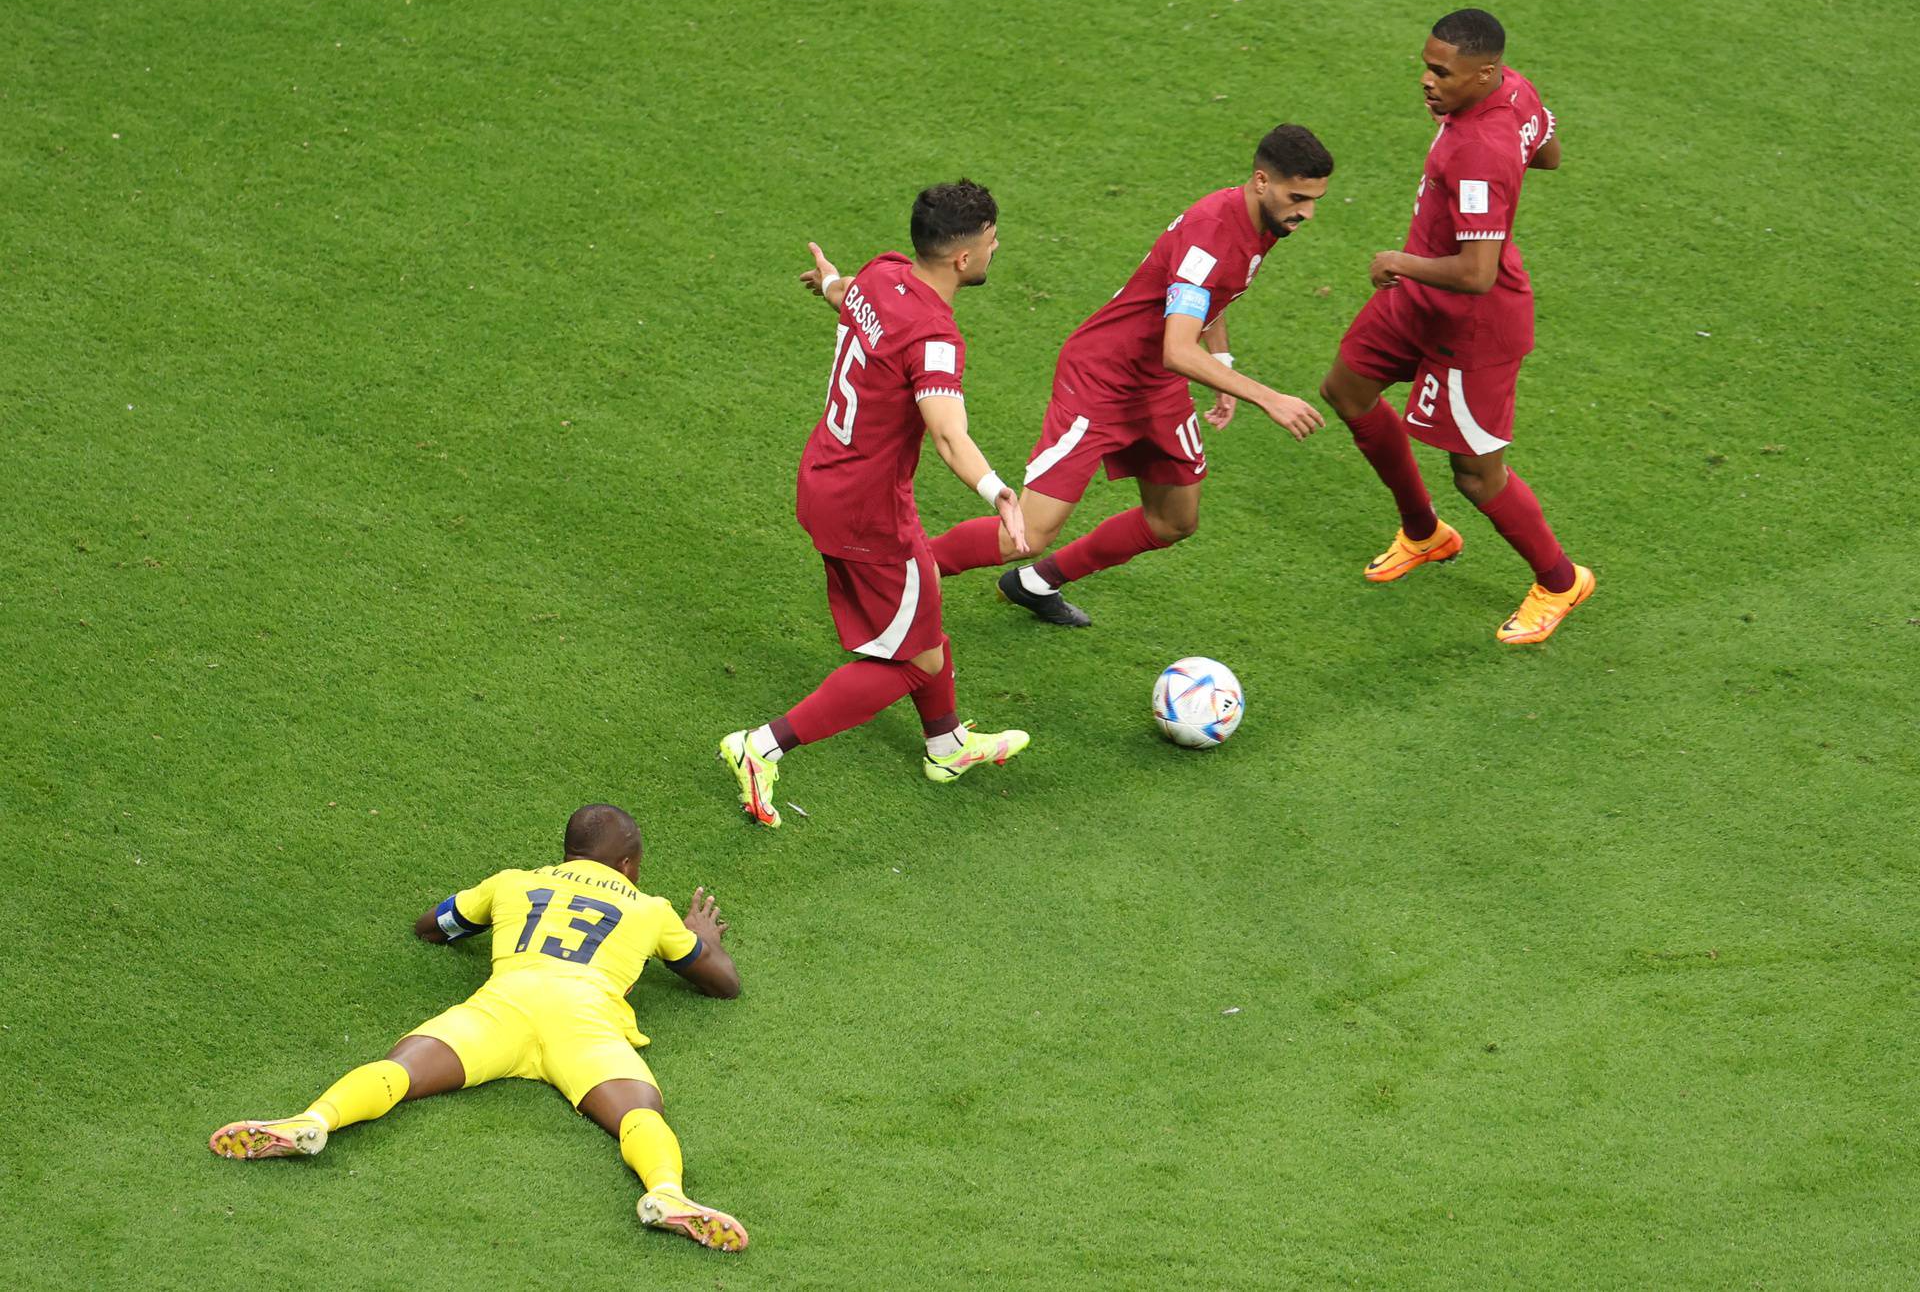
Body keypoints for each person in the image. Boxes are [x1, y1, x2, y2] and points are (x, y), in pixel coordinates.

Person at [208, 805, 750, 1253]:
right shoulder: (651, 910)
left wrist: (487, 917)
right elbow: (722, 983)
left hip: (504, 1006)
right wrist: (703, 936)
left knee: (400, 1070)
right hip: (583, 1019)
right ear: (628, 864)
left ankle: (313, 1119)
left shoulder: (514, 883)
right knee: (637, 1111)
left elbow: (433, 928)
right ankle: (667, 1192)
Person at [924, 125, 1334, 627]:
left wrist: (1222, 366)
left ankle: (1035, 583)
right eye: (1298, 198)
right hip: (1101, 381)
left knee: (1174, 520)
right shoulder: (1212, 232)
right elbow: (1178, 347)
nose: (1306, 212)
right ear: (1261, 181)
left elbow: (1210, 295)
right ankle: (898, 572)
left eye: (1315, 200)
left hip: (1154, 385)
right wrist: (1267, 397)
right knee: (1023, 534)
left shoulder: (1261, 221)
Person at [717, 180, 1032, 828]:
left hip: (826, 479)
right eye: (993, 240)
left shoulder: (882, 273)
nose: (998, 247)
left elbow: (847, 293)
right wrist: (997, 489)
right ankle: (760, 747)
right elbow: (948, 432)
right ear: (964, 259)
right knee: (914, 662)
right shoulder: (936, 338)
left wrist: (831, 283)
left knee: (924, 629)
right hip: (870, 514)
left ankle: (946, 747)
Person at [1318, 8, 1594, 644]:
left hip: (1472, 325)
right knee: (1347, 390)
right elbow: (1548, 153)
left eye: (1442, 72)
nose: (1427, 80)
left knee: (1475, 474)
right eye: (1428, 64)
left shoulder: (1478, 150)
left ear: (1483, 72)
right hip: (1418, 302)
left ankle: (1560, 581)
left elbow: (1476, 272)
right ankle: (1424, 532)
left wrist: (1397, 261)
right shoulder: (1513, 88)